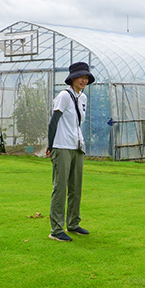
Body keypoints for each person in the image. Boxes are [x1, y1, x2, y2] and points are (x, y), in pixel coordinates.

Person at [46, 62, 93, 242]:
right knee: (60, 187)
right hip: (62, 145)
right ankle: (56, 229)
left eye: (86, 77)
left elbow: (76, 124)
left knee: (76, 187)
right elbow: (53, 122)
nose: (84, 80)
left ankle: (73, 223)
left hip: (77, 145)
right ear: (72, 78)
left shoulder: (83, 98)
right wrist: (50, 146)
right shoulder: (64, 96)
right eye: (81, 77)